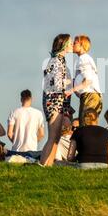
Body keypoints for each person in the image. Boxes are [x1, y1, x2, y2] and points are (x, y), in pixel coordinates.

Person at [40, 34, 75, 166]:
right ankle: (43, 164)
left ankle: (48, 164)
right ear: (64, 44)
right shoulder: (56, 61)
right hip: (54, 102)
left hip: (58, 102)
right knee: (53, 137)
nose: (72, 44)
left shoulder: (60, 61)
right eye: (70, 42)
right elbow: (56, 85)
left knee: (56, 138)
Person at [66, 35, 103, 127]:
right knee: (86, 125)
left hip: (90, 97)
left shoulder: (83, 59)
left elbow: (88, 81)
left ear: (81, 45)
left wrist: (71, 90)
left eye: (75, 43)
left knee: (86, 126)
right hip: (90, 96)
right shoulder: (83, 58)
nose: (72, 45)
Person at [6, 90, 45, 159]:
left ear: (21, 99)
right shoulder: (38, 113)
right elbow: (41, 134)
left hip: (16, 151)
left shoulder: (14, 112)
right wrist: (34, 141)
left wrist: (16, 142)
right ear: (31, 99)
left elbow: (9, 133)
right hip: (32, 151)